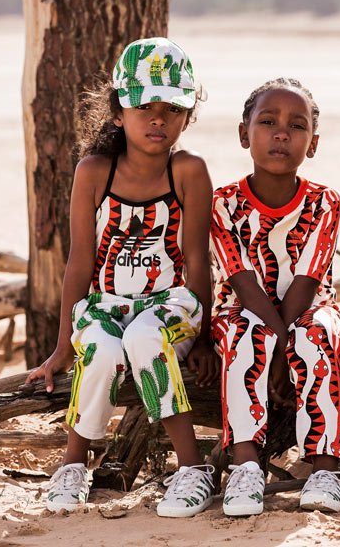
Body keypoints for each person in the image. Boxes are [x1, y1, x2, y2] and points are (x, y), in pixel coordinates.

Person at [26, 37, 220, 518]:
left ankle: (192, 468)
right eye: (145, 107)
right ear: (118, 112)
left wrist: (204, 338)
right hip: (108, 304)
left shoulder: (188, 170)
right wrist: (61, 346)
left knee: (145, 336)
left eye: (173, 108)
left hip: (173, 305)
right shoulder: (94, 172)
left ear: (187, 116)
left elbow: (199, 261)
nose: (159, 119)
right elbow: (79, 263)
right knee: (105, 347)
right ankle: (73, 463)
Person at [211, 78, 340, 516]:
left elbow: (306, 283)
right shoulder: (223, 204)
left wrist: (285, 345)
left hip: (307, 309)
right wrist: (274, 348)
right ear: (243, 134)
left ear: (313, 143)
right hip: (241, 308)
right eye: (267, 122)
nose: (281, 133)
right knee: (244, 332)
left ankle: (324, 470)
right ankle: (247, 467)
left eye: (296, 125)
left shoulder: (324, 203)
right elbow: (244, 285)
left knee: (320, 335)